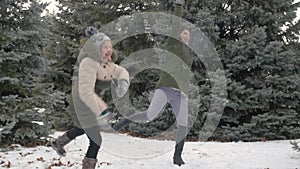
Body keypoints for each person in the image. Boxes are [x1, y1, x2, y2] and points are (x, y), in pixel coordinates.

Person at [113, 0, 193, 166]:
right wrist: (179, 6)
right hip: (165, 88)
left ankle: (177, 157)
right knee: (150, 115)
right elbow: (175, 24)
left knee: (183, 125)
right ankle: (123, 121)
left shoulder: (189, 55)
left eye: (188, 35)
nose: (186, 36)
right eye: (183, 33)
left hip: (181, 94)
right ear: (179, 35)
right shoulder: (173, 45)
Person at [50, 26, 130, 169]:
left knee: (82, 128)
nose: (109, 49)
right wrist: (102, 111)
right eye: (105, 47)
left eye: (110, 46)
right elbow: (85, 91)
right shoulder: (89, 62)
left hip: (90, 103)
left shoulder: (105, 63)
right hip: (82, 102)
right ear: (97, 49)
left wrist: (123, 81)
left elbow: (120, 70)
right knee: (96, 139)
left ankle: (58, 143)